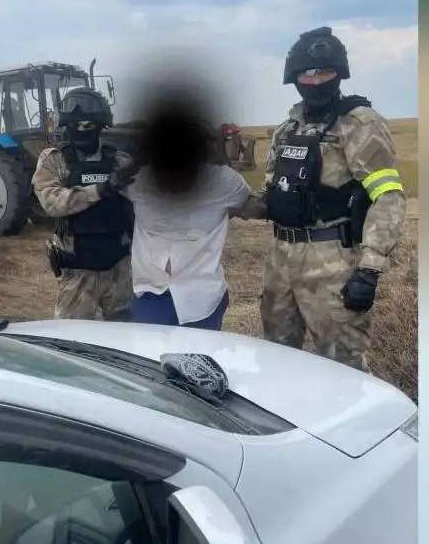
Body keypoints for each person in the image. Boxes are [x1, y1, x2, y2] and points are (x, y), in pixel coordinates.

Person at [259, 27, 406, 371]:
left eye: (324, 72)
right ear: (294, 77)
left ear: (339, 73)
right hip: (281, 261)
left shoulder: (359, 125)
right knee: (278, 362)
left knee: (344, 368)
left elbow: (388, 197)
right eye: (307, 74)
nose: (315, 80)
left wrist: (369, 269)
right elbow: (271, 196)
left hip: (332, 263)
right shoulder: (287, 128)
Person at [121, 103, 265, 330]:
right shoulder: (136, 180)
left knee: (199, 362)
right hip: (151, 294)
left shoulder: (223, 181)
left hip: (202, 299)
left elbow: (252, 207)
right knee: (151, 361)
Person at [31, 86, 134, 321]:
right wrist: (101, 189)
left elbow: (141, 202)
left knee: (125, 339)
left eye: (88, 125)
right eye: (76, 125)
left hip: (119, 269)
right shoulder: (54, 160)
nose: (82, 130)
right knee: (73, 342)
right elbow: (52, 202)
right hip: (78, 270)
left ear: (100, 125)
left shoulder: (119, 160)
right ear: (66, 125)